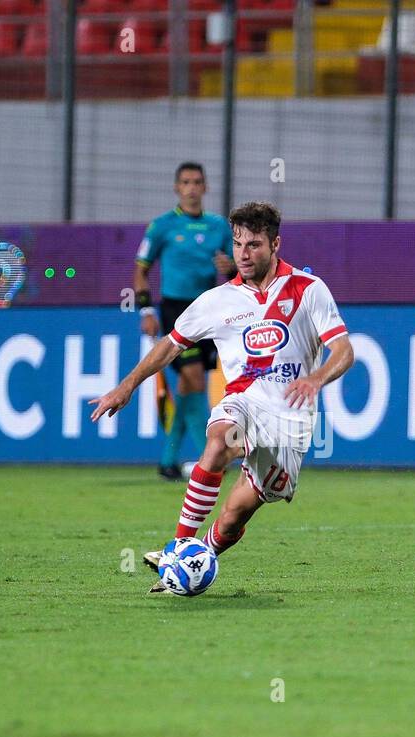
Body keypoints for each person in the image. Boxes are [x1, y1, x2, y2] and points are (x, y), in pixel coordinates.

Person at [91, 201, 355, 593]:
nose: (243, 255)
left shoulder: (308, 290)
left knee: (232, 518)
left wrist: (315, 379)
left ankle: (199, 557)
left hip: (289, 423)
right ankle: (179, 548)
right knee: (218, 440)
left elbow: (344, 351)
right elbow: (170, 345)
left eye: (254, 245)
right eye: (237, 245)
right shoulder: (216, 301)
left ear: (275, 244)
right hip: (243, 402)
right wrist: (127, 385)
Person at [133, 162, 235, 480]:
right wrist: (146, 311)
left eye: (197, 182)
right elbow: (140, 270)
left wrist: (229, 268)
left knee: (188, 386)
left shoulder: (219, 227)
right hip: (176, 312)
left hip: (209, 310)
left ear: (205, 188)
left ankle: (168, 460)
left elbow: (239, 272)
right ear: (177, 188)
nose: (191, 188)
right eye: (186, 182)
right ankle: (211, 454)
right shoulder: (162, 226)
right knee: (193, 380)